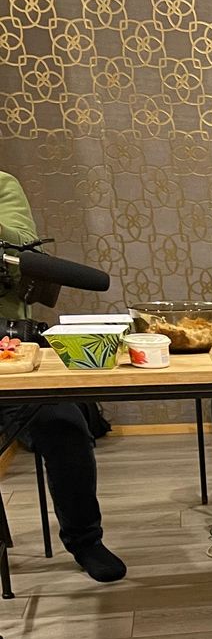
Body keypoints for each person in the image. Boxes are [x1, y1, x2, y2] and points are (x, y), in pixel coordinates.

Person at [0, 171, 125, 582]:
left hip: (11, 349)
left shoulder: (2, 184)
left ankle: (85, 540)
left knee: (64, 425)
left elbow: (22, 243)